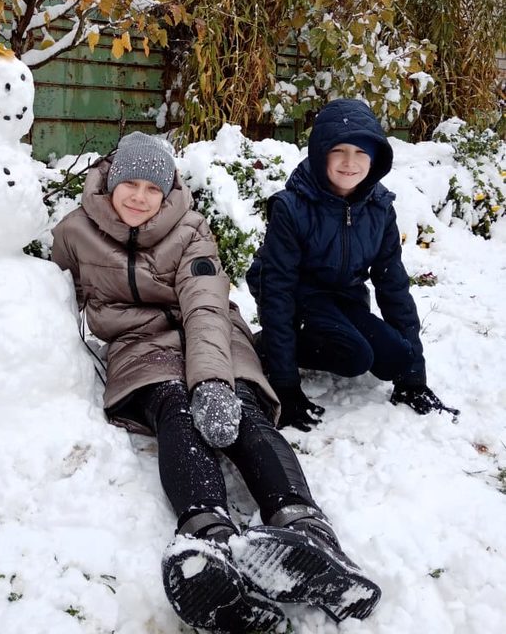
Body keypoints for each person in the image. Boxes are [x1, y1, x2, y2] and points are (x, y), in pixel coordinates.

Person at [52, 131, 381, 633]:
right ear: (110, 182)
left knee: (242, 409)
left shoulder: (191, 231)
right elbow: (52, 295)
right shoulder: (75, 232)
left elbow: (204, 305)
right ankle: (209, 537)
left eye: (152, 189)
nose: (140, 197)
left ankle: (305, 529)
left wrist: (213, 382)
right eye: (130, 184)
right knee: (174, 408)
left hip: (211, 335)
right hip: (139, 346)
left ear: (168, 193)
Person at [247, 98, 459, 432]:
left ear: (376, 158)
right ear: (321, 153)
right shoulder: (292, 207)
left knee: (398, 358)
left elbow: (393, 285)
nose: (350, 163)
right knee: (355, 357)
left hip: (343, 297)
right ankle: (266, 345)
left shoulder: (378, 208)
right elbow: (278, 290)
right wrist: (284, 382)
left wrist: (414, 378)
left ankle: (361, 346)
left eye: (362, 152)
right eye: (339, 151)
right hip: (299, 294)